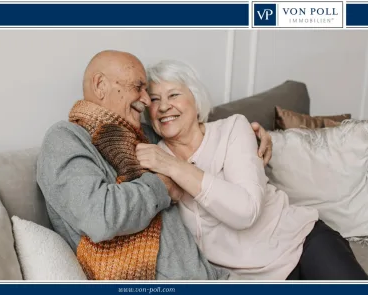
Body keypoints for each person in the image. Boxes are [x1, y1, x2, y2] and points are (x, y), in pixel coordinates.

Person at [36, 50, 273, 280]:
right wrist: (163, 186)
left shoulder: (143, 135)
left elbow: (191, 128)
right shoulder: (65, 139)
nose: (147, 100)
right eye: (138, 87)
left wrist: (258, 136)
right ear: (100, 85)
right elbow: (99, 217)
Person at [136, 59, 368, 280]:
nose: (164, 106)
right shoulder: (154, 155)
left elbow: (245, 211)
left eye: (174, 94)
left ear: (196, 100)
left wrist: (175, 167)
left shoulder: (232, 129)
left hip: (301, 243)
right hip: (245, 278)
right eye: (155, 99)